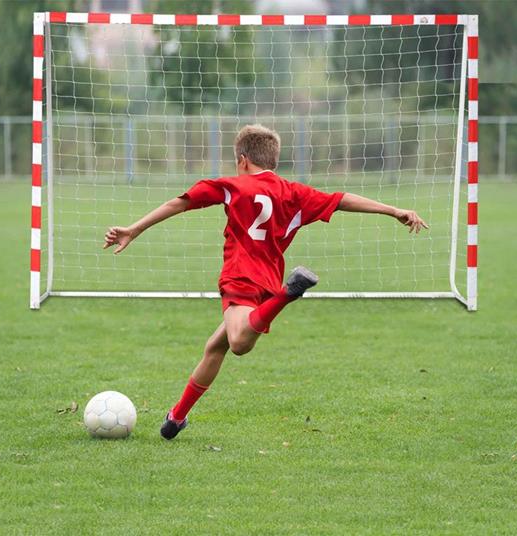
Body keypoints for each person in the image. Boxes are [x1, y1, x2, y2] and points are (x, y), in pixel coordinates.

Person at [103, 124, 428, 440]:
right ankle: (176, 417)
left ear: (242, 159)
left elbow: (180, 202)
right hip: (265, 281)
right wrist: (393, 210)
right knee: (214, 347)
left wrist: (135, 228)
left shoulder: (232, 185)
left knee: (239, 343)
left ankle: (289, 294)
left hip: (240, 275)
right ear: (274, 159)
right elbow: (341, 199)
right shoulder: (294, 192)